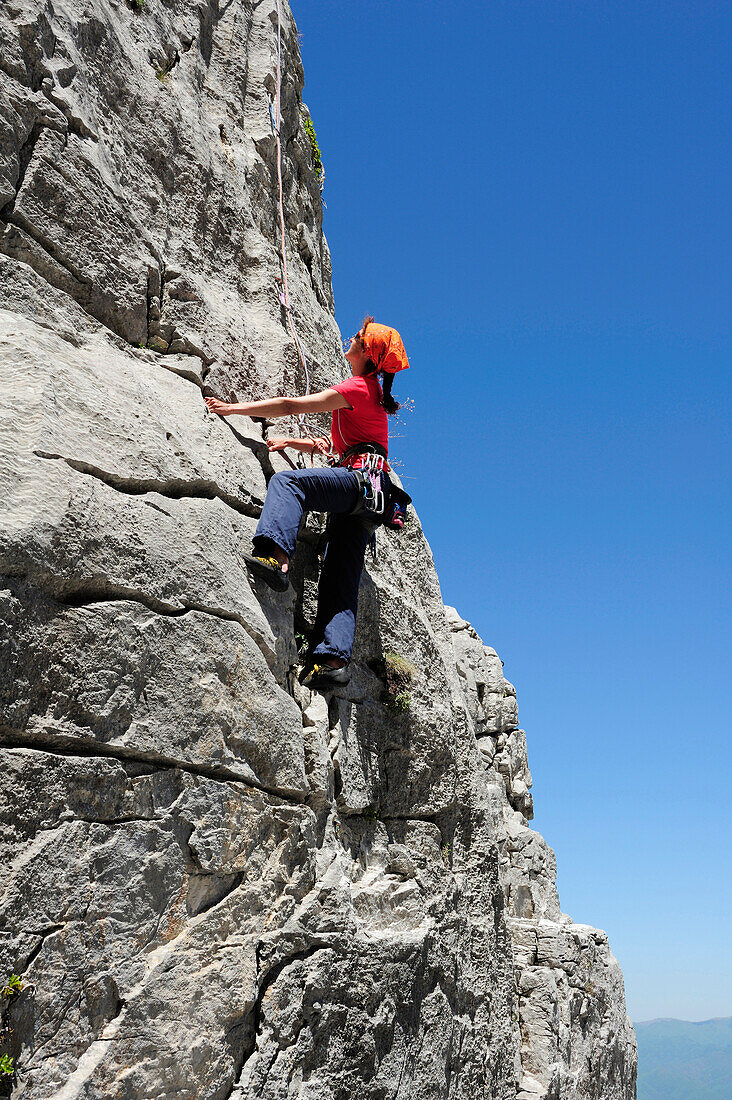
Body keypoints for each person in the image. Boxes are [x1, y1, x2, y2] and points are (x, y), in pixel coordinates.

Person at [204, 316, 409, 688]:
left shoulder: (359, 387)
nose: (350, 338)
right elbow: (336, 448)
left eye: (357, 337)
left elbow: (289, 405)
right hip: (371, 501)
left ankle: (276, 557)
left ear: (364, 351)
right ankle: (331, 660)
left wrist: (232, 409)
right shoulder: (372, 396)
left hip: (358, 483)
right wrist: (291, 444)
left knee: (288, 484)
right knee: (339, 577)